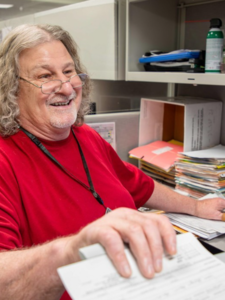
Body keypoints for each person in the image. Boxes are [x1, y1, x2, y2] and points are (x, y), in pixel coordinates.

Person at [0, 24, 224, 300]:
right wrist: (72, 251)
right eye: (45, 76)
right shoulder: (5, 160)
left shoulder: (86, 137)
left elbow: (137, 184)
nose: (66, 86)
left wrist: (196, 206)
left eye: (69, 72)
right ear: (12, 89)